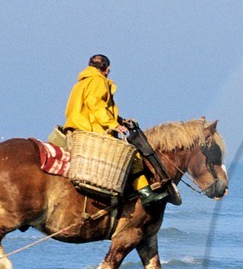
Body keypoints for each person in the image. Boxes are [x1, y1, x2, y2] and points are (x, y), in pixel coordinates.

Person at [59, 54, 176, 204]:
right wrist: (113, 124)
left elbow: (92, 107)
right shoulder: (98, 81)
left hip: (77, 128)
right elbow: (96, 105)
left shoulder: (81, 83)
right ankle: (146, 194)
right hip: (93, 130)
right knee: (132, 157)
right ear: (107, 69)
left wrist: (120, 120)